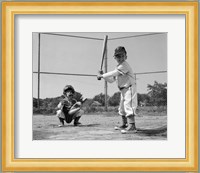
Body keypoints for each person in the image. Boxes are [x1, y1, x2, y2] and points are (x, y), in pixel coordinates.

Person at [97, 46, 138, 134]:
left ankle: (132, 126)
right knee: (122, 108)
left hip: (129, 88)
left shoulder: (124, 65)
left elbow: (115, 73)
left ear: (125, 56)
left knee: (128, 106)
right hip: (123, 90)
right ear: (115, 57)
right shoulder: (118, 67)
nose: (120, 58)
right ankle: (125, 124)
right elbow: (111, 80)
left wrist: (102, 75)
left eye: (122, 56)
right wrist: (103, 75)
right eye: (118, 56)